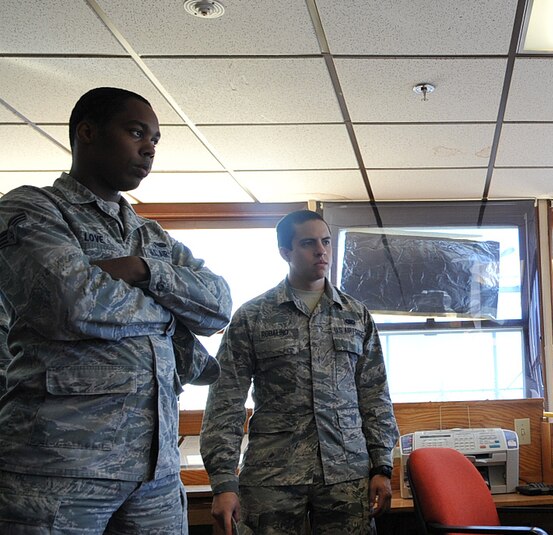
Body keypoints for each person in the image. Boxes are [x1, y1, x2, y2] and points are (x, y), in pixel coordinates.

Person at [0, 87, 233, 533]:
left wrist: (142, 269)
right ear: (87, 133)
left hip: (155, 473)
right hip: (58, 468)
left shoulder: (151, 237)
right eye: (135, 132)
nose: (148, 148)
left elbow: (218, 304)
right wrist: (171, 315)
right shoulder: (31, 208)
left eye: (155, 140)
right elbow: (75, 303)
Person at [200, 209, 399, 535]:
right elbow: (225, 400)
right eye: (308, 243)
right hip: (273, 474)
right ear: (286, 252)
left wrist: (382, 466)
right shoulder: (253, 316)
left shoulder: (355, 315)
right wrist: (223, 482)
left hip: (346, 471)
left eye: (326, 242)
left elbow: (375, 394)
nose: (321, 251)